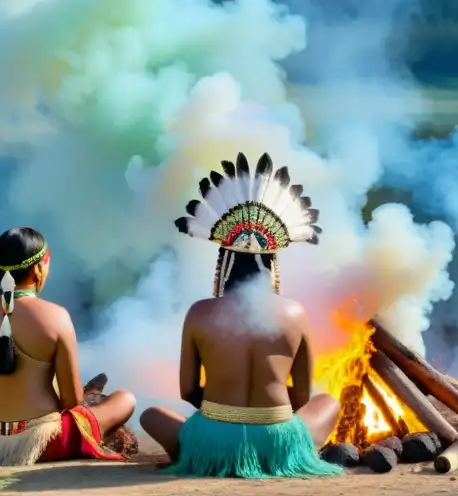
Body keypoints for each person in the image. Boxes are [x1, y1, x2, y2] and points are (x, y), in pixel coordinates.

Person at [140, 152, 344, 478]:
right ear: (272, 263)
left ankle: (210, 452)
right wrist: (265, 416)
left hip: (213, 440)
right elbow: (303, 397)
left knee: (151, 415)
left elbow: (188, 391)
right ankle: (273, 452)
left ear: (224, 263)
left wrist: (226, 414)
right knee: (328, 403)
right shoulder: (295, 312)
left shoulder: (200, 312)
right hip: (277, 441)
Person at [0, 226, 135, 466]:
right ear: (40, 266)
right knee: (125, 399)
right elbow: (71, 401)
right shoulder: (56, 317)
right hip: (44, 442)